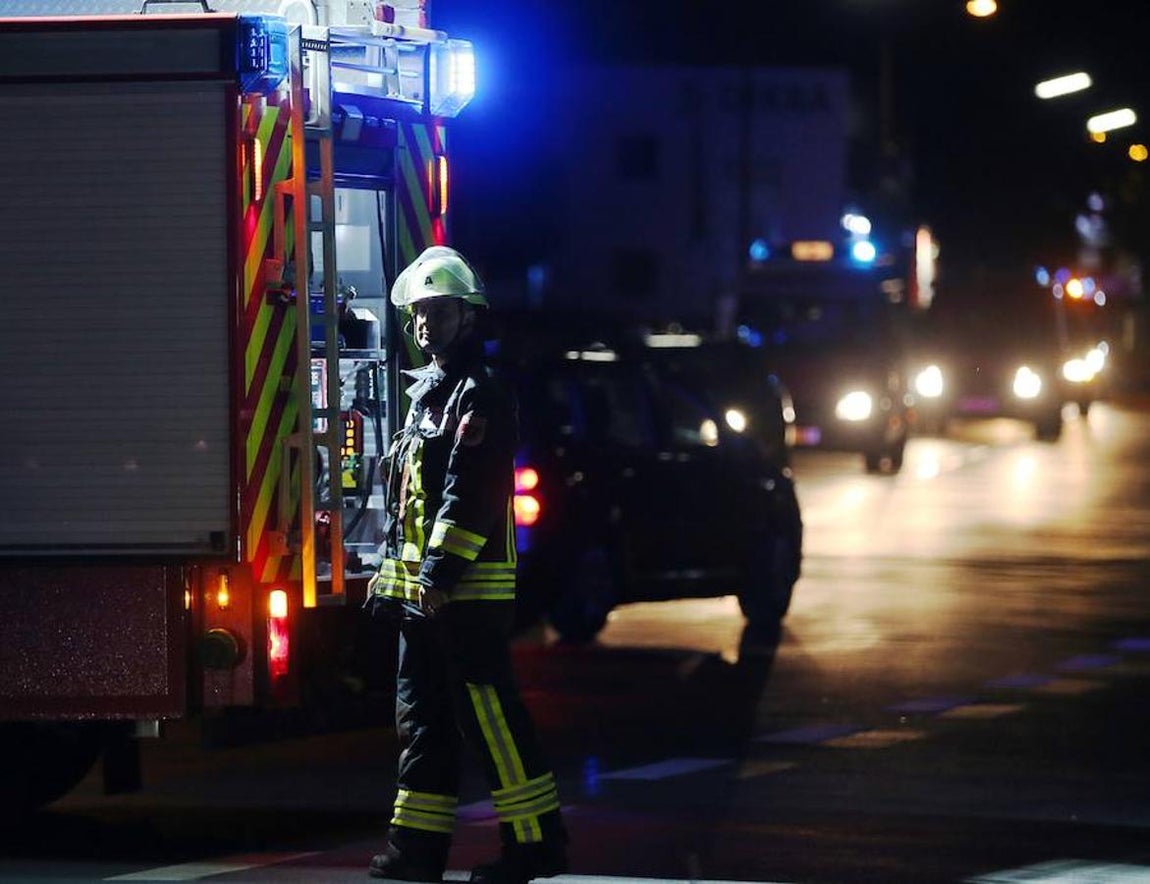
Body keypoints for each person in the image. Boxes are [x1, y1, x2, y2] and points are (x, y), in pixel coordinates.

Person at [365, 246, 568, 884]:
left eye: (440, 311)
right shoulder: (427, 396)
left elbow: (468, 497)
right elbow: (412, 504)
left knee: (492, 724)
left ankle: (536, 846)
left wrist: (438, 579)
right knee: (422, 724)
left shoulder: (480, 396)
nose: (426, 323)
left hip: (463, 598)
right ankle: (415, 852)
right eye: (420, 312)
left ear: (468, 317)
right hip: (421, 602)